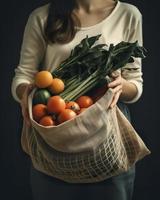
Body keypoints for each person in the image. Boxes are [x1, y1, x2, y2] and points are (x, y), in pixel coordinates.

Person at [11, 0, 144, 199]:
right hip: (54, 128)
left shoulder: (128, 14)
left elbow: (135, 85)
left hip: (107, 133)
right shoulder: (42, 16)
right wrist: (26, 93)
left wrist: (120, 85)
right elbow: (23, 76)